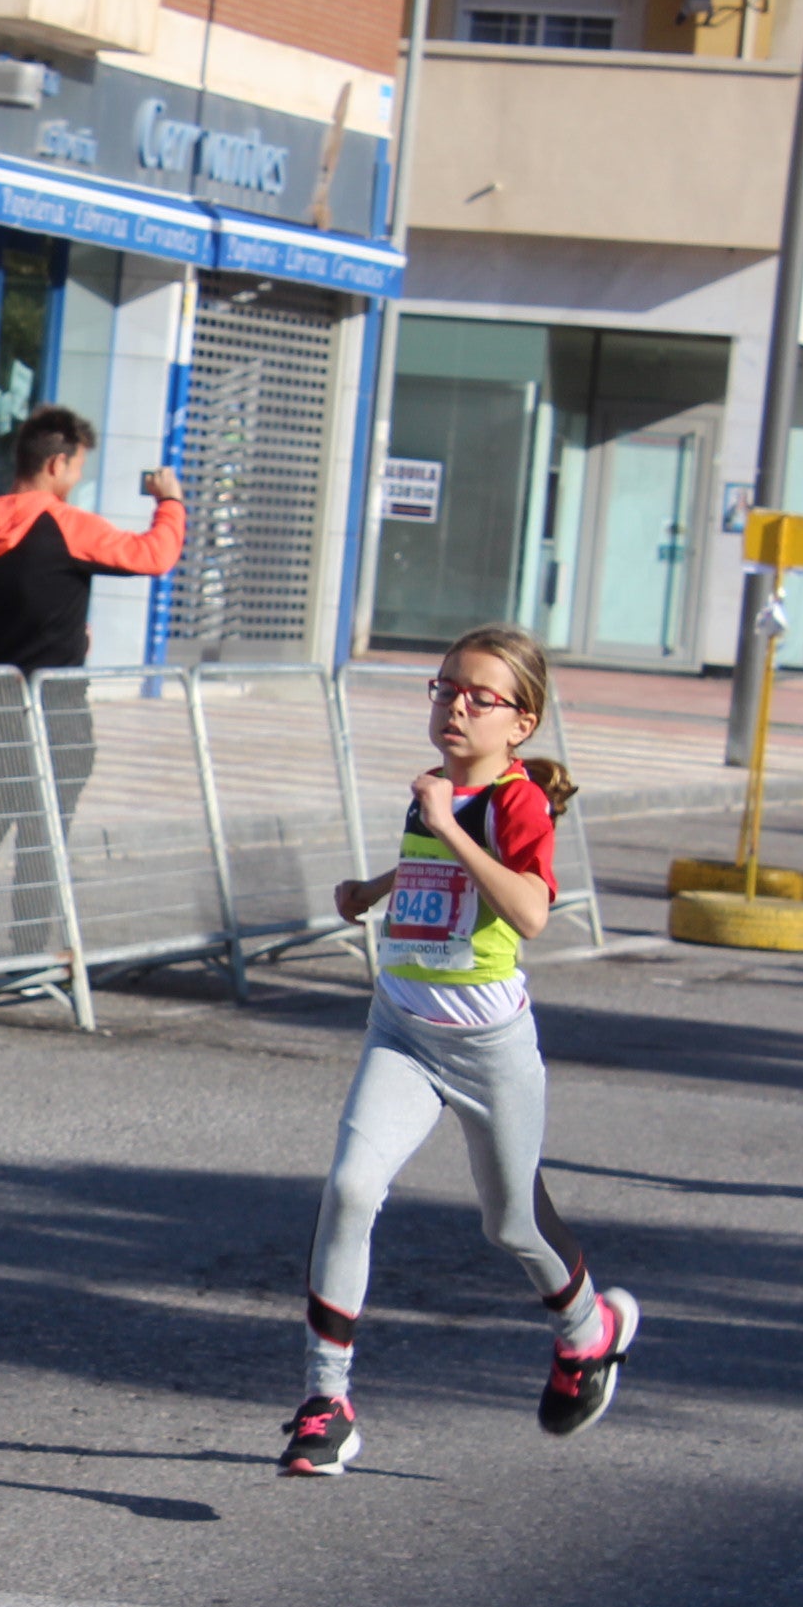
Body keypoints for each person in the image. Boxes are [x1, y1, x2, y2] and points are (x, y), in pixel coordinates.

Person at [276, 625, 638, 1477]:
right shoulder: (434, 793)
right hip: (402, 1028)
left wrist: (449, 824)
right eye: (444, 689)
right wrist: (372, 888)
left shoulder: (518, 804)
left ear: (522, 722)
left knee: (511, 1222)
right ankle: (327, 1401)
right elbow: (432, 865)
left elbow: (531, 912)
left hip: (489, 1046)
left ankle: (591, 1332)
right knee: (351, 1187)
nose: (456, 706)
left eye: (480, 696)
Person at [0, 403, 184, 964]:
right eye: (77, 470)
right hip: (57, 708)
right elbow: (154, 554)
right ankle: (28, 951)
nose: (77, 481)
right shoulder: (66, 524)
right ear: (57, 464)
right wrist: (170, 500)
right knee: (44, 834)